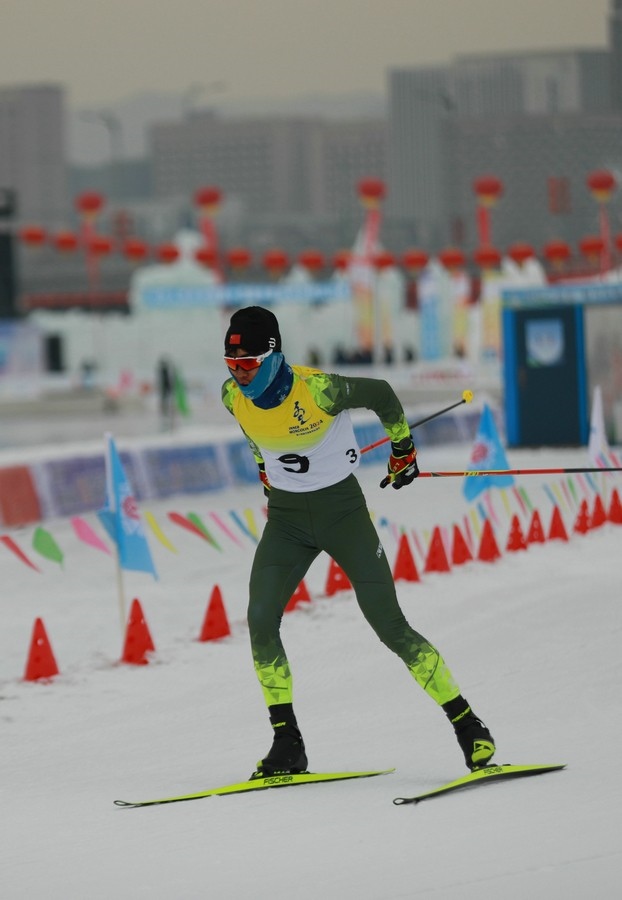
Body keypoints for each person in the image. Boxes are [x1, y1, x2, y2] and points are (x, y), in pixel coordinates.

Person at [222, 306, 495, 778]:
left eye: (247, 363)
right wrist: (266, 473)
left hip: (342, 515)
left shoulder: (318, 389)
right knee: (260, 620)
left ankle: (468, 725)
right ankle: (287, 742)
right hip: (286, 521)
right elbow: (254, 436)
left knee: (391, 626)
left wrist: (402, 450)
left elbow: (383, 394)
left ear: (272, 355)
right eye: (231, 364)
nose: (239, 374)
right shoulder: (232, 396)